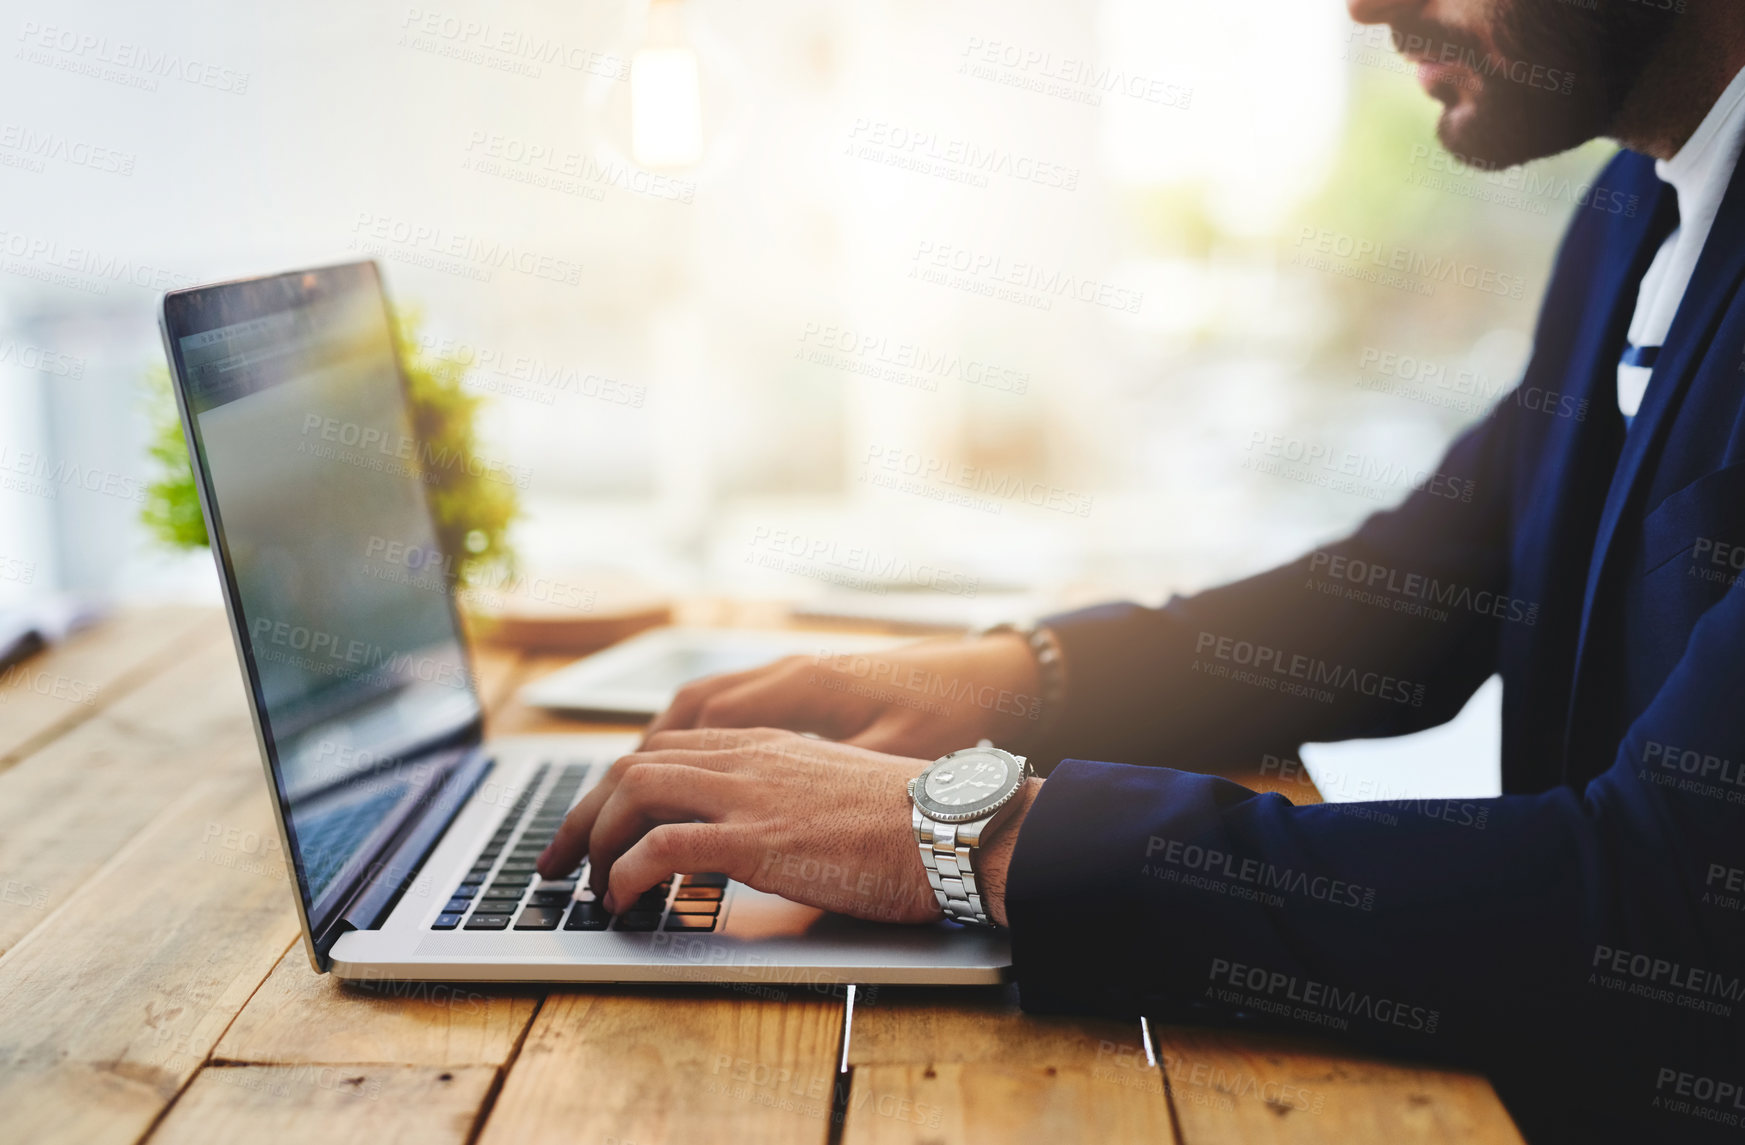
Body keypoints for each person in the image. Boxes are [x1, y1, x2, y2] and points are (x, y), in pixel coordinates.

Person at [540, 1, 1745, 1138]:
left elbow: (1656, 901)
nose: (1364, 7)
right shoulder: (1630, 207)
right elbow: (1410, 597)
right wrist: (1016, 677)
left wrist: (969, 840)